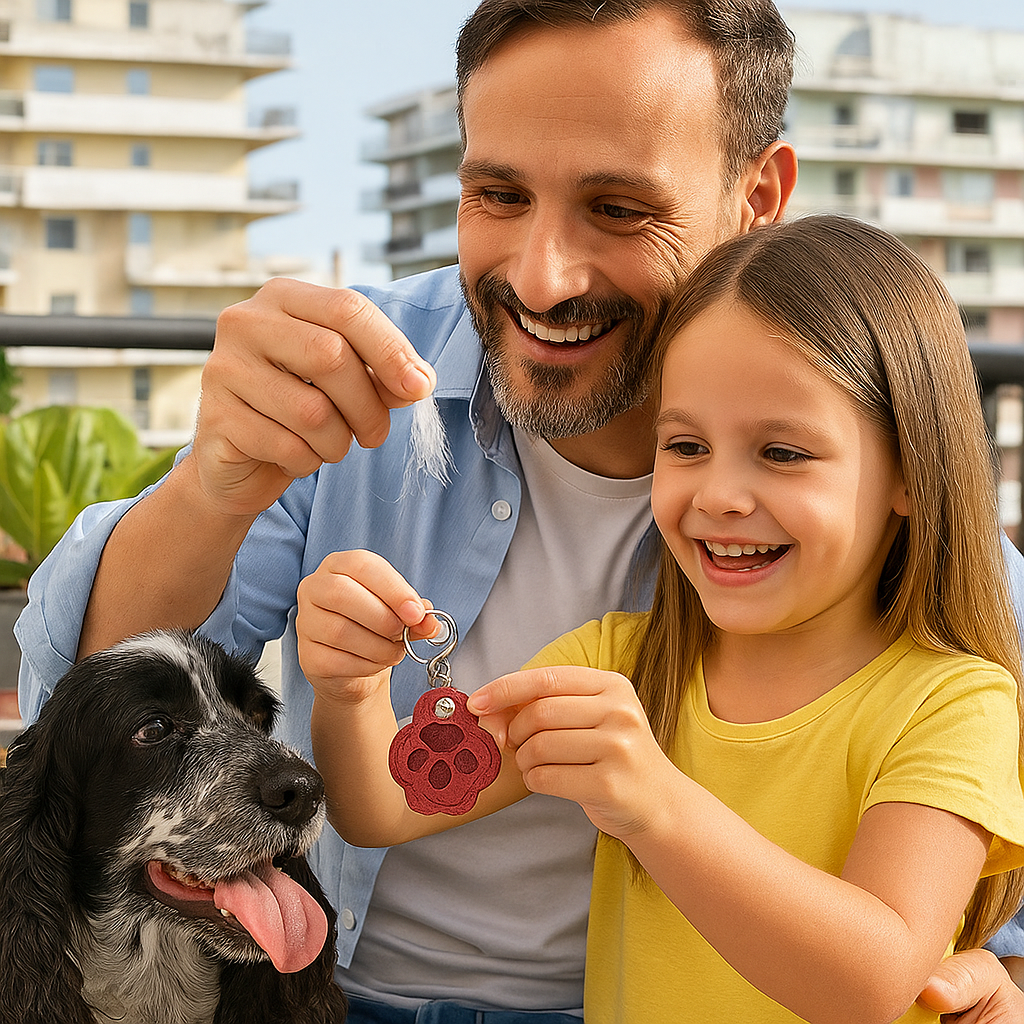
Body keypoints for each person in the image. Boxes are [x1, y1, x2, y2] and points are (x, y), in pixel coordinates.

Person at [13, 0, 1024, 1019]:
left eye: (619, 208)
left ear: (757, 191)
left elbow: (935, 925)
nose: (542, 277)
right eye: (497, 193)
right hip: (327, 990)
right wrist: (217, 491)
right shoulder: (359, 387)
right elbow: (89, 713)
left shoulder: (922, 580)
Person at [302, 215, 1024, 1023]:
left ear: (911, 475)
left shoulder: (954, 703)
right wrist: (353, 691)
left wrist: (657, 806)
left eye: (782, 453)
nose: (718, 494)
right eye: (684, 446)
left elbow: (874, 982)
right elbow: (385, 809)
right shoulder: (618, 664)